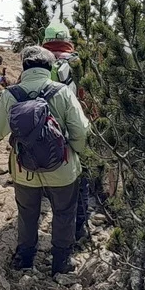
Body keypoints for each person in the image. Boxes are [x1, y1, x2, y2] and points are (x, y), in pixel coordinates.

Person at [0, 46, 90, 275]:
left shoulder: (11, 94)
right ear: (50, 67)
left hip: (24, 168)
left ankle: (25, 258)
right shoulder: (63, 92)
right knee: (64, 212)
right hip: (62, 169)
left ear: (24, 67)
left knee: (27, 212)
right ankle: (61, 262)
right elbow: (81, 131)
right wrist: (74, 153)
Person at [41, 23, 92, 243]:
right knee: (81, 178)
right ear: (68, 40)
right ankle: (79, 227)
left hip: (44, 132)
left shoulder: (39, 62)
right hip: (75, 127)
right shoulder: (78, 63)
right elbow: (90, 95)